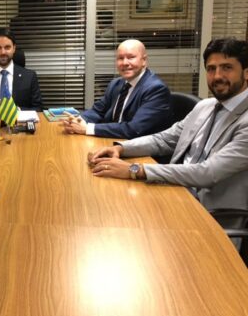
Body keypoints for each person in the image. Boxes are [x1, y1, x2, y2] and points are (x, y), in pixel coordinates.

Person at [88, 38, 248, 227]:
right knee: (105, 208)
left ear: (246, 72)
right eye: (211, 69)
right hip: (175, 191)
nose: (217, 76)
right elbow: (164, 139)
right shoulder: (205, 106)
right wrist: (121, 148)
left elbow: (207, 172)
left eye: (227, 68)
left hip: (210, 216)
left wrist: (135, 170)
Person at [63, 39, 171, 139]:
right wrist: (77, 120)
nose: (125, 63)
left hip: (139, 148)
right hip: (112, 141)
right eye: (120, 58)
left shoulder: (156, 89)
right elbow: (98, 111)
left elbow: (134, 129)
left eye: (131, 57)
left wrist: (88, 128)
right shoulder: (116, 84)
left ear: (144, 61)